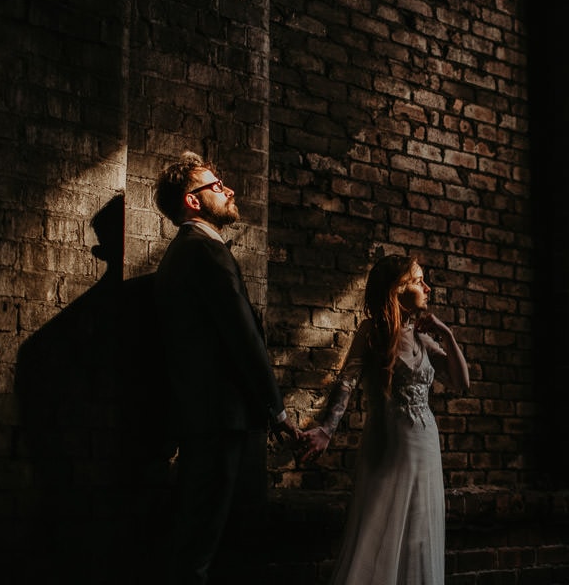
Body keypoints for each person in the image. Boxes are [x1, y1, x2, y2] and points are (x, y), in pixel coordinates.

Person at [153, 150, 299, 585]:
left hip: (208, 424)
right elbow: (243, 339)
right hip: (223, 424)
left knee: (205, 544)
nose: (229, 189)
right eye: (216, 185)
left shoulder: (185, 253)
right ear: (193, 201)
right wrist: (278, 411)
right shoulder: (203, 252)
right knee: (209, 549)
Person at [298, 254, 471, 585]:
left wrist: (446, 333)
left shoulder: (423, 335)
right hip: (390, 440)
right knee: (381, 526)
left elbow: (461, 383)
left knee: (420, 530)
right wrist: (327, 431)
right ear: (397, 288)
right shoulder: (372, 331)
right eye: (420, 280)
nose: (428, 287)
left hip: (425, 442)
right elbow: (347, 383)